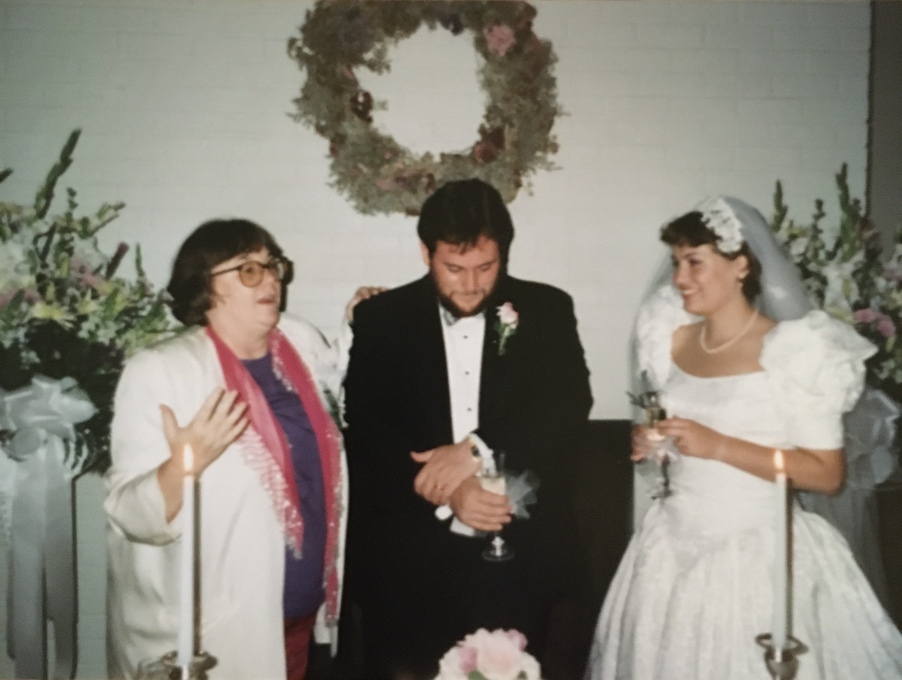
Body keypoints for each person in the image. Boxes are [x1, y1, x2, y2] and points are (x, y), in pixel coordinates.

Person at [586, 197, 902, 679]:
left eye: (695, 263)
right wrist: (649, 442)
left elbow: (827, 474)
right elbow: (667, 444)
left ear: (740, 265)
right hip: (670, 546)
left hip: (759, 553)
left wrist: (720, 446)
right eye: (676, 263)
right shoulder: (670, 339)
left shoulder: (797, 351)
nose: (679, 278)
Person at [342, 178, 593, 680]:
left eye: (486, 267)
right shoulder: (380, 319)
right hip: (409, 565)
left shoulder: (546, 309)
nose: (472, 285)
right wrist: (451, 491)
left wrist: (477, 448)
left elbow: (566, 405)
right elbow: (368, 434)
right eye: (453, 269)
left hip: (521, 558)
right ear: (425, 252)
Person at [104, 219, 374, 680]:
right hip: (219, 636)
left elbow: (334, 389)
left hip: (303, 621)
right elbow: (126, 510)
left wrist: (359, 325)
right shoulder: (162, 372)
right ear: (206, 286)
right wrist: (181, 466)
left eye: (272, 266)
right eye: (248, 270)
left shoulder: (299, 342)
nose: (270, 278)